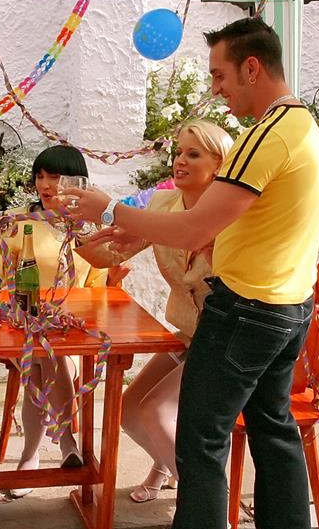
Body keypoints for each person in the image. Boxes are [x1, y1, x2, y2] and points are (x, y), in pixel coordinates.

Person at [66, 17, 319, 529]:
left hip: (247, 310)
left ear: (252, 68)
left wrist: (110, 207)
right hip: (288, 305)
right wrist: (133, 228)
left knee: (201, 441)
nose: (216, 89)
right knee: (272, 425)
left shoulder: (267, 135)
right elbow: (223, 222)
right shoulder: (302, 128)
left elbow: (193, 228)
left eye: (220, 75)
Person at [76, 119, 232, 505]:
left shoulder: (234, 213)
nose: (180, 161)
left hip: (227, 341)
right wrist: (80, 229)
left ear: (219, 164)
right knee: (129, 410)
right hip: (188, 334)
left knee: (157, 410)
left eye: (193, 154)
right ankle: (169, 467)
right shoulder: (163, 205)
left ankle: (208, 504)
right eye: (178, 152)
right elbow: (110, 255)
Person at [0, 145, 111, 496]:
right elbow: (2, 275)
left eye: (54, 177)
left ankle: (29, 458)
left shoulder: (89, 228)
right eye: (40, 176)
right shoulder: (19, 222)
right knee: (42, 352)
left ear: (76, 182)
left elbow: (97, 288)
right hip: (21, 325)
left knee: (45, 359)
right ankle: (66, 443)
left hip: (72, 329)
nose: (45, 184)